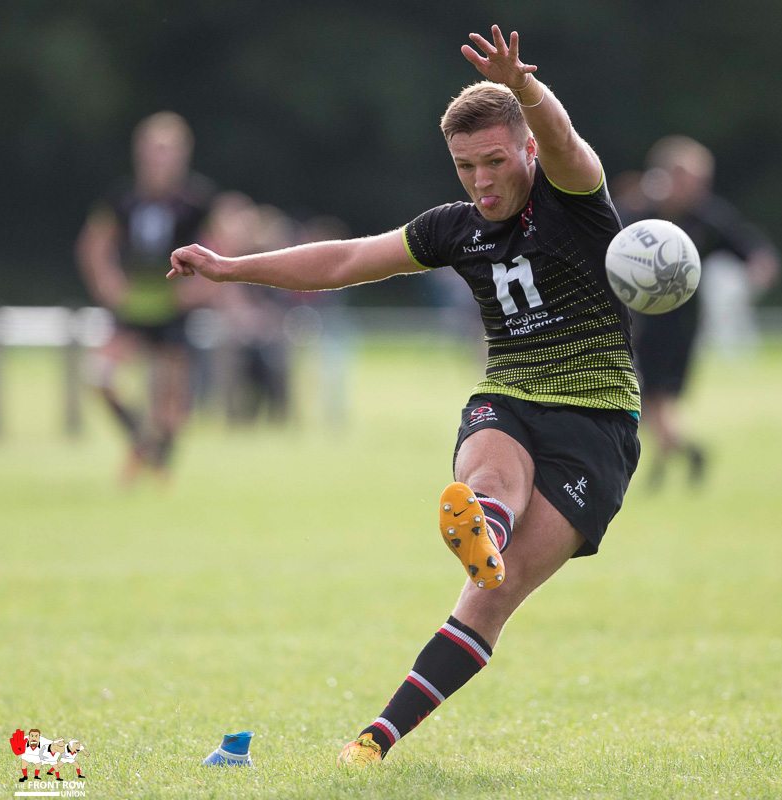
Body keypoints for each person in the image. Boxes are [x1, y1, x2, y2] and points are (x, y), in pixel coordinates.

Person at [168, 25, 640, 767]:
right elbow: (348, 259)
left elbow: (568, 139)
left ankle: (380, 732)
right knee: (488, 477)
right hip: (510, 395)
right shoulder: (454, 229)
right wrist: (232, 269)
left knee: (493, 599)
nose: (481, 180)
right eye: (464, 166)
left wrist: (527, 90)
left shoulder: (574, 197)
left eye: (494, 161)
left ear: (525, 152)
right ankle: (481, 526)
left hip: (598, 422)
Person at [620, 136, 780, 489]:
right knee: (652, 398)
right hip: (640, 321)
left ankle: (682, 452)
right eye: (694, 178)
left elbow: (747, 244)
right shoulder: (639, 214)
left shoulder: (706, 217)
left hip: (682, 325)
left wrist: (760, 265)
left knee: (657, 398)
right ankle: (667, 461)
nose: (700, 187)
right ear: (670, 175)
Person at [76, 111, 217, 483]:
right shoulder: (123, 198)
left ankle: (159, 466)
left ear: (182, 155)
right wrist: (108, 283)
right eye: (154, 149)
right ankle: (141, 442)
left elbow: (222, 246)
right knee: (99, 374)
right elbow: (94, 243)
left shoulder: (197, 200)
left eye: (168, 150)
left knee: (172, 395)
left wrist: (198, 289)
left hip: (173, 308)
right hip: (133, 307)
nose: (160, 158)